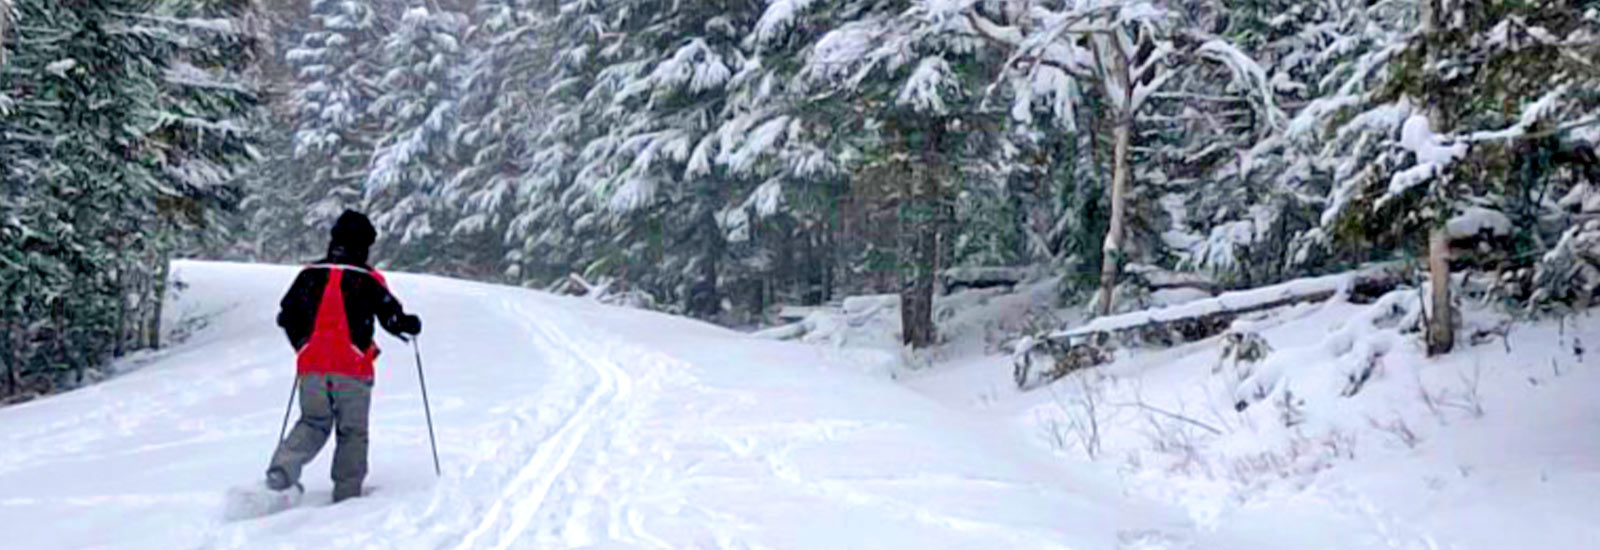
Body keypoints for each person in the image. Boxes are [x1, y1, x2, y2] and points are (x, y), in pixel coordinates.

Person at [266, 209, 422, 502]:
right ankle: (347, 495)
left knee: (312, 422)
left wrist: (302, 345)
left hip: (311, 365)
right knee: (352, 432)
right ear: (364, 244)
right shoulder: (367, 278)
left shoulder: (309, 274)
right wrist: (410, 324)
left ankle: (281, 474)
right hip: (352, 367)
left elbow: (285, 315)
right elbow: (392, 319)